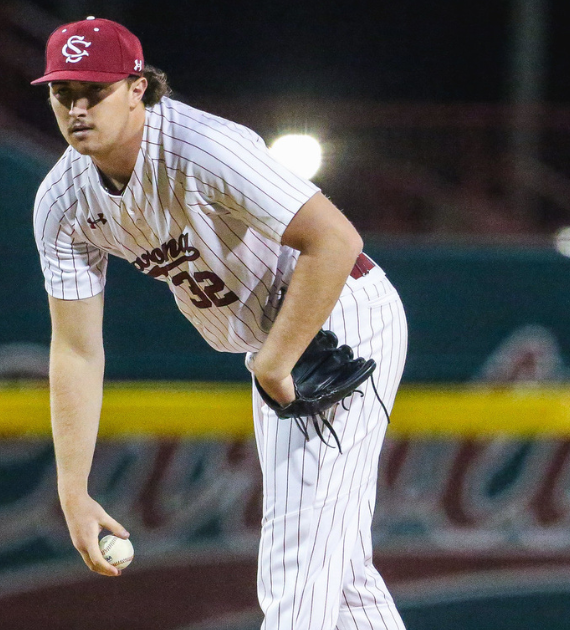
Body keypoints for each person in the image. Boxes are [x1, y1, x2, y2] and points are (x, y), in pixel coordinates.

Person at [31, 16, 409, 630]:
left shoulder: (204, 147)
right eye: (61, 93)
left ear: (137, 88)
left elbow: (335, 241)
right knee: (339, 570)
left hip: (338, 321)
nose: (76, 108)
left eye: (93, 92)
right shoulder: (62, 202)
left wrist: (277, 358)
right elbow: (75, 350)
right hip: (275, 345)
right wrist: (73, 488)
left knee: (299, 561)